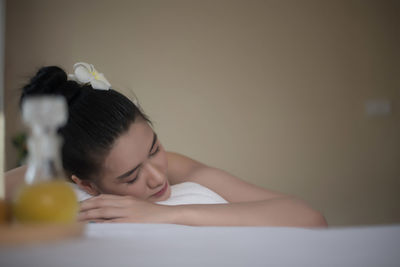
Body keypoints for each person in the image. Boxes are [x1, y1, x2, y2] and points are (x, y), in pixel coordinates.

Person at [5, 63, 328, 227]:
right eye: (131, 177)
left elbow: (309, 217)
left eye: (154, 149)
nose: (158, 177)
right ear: (86, 184)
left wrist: (165, 214)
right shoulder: (48, 176)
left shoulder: (176, 167)